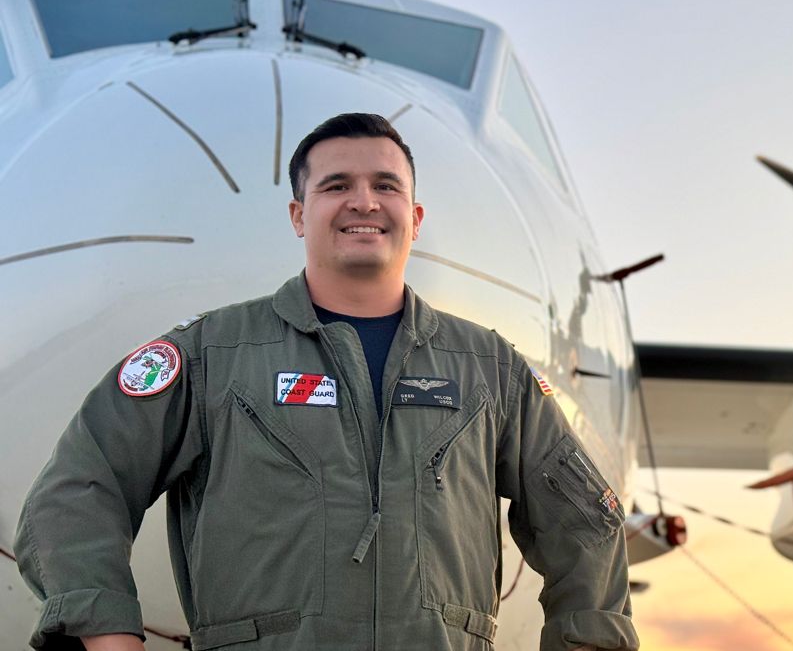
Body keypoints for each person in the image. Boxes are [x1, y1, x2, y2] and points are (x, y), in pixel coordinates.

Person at [15, 113, 638, 651]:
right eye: (336, 185)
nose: (363, 202)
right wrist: (107, 633)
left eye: (385, 186)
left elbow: (586, 522)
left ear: (415, 216)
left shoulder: (490, 368)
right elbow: (78, 486)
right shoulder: (212, 354)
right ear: (298, 214)